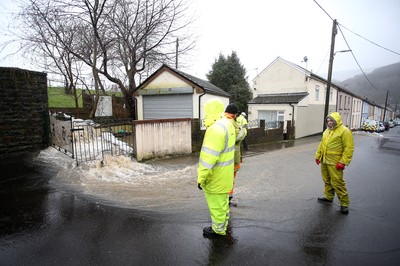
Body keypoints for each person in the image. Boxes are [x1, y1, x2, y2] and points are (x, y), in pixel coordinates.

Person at [197, 99, 237, 237]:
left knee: (216, 205)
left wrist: (201, 179)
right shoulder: (227, 124)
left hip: (216, 177)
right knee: (223, 203)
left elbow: (208, 159)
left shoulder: (215, 129)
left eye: (206, 111)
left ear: (210, 111)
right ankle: (223, 224)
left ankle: (218, 230)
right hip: (225, 176)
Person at [315, 112, 354, 214]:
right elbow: (322, 144)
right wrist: (318, 156)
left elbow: (349, 148)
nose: (329, 122)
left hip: (335, 162)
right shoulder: (327, 131)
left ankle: (344, 204)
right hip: (324, 160)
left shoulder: (344, 131)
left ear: (336, 121)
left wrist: (343, 162)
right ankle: (328, 197)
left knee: (337, 182)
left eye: (331, 120)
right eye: (328, 120)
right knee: (327, 180)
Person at [228, 110, 247, 207]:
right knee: (230, 179)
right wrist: (243, 131)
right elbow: (238, 138)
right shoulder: (230, 122)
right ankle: (228, 199)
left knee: (227, 179)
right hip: (232, 158)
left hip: (227, 158)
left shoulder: (225, 121)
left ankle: (226, 198)